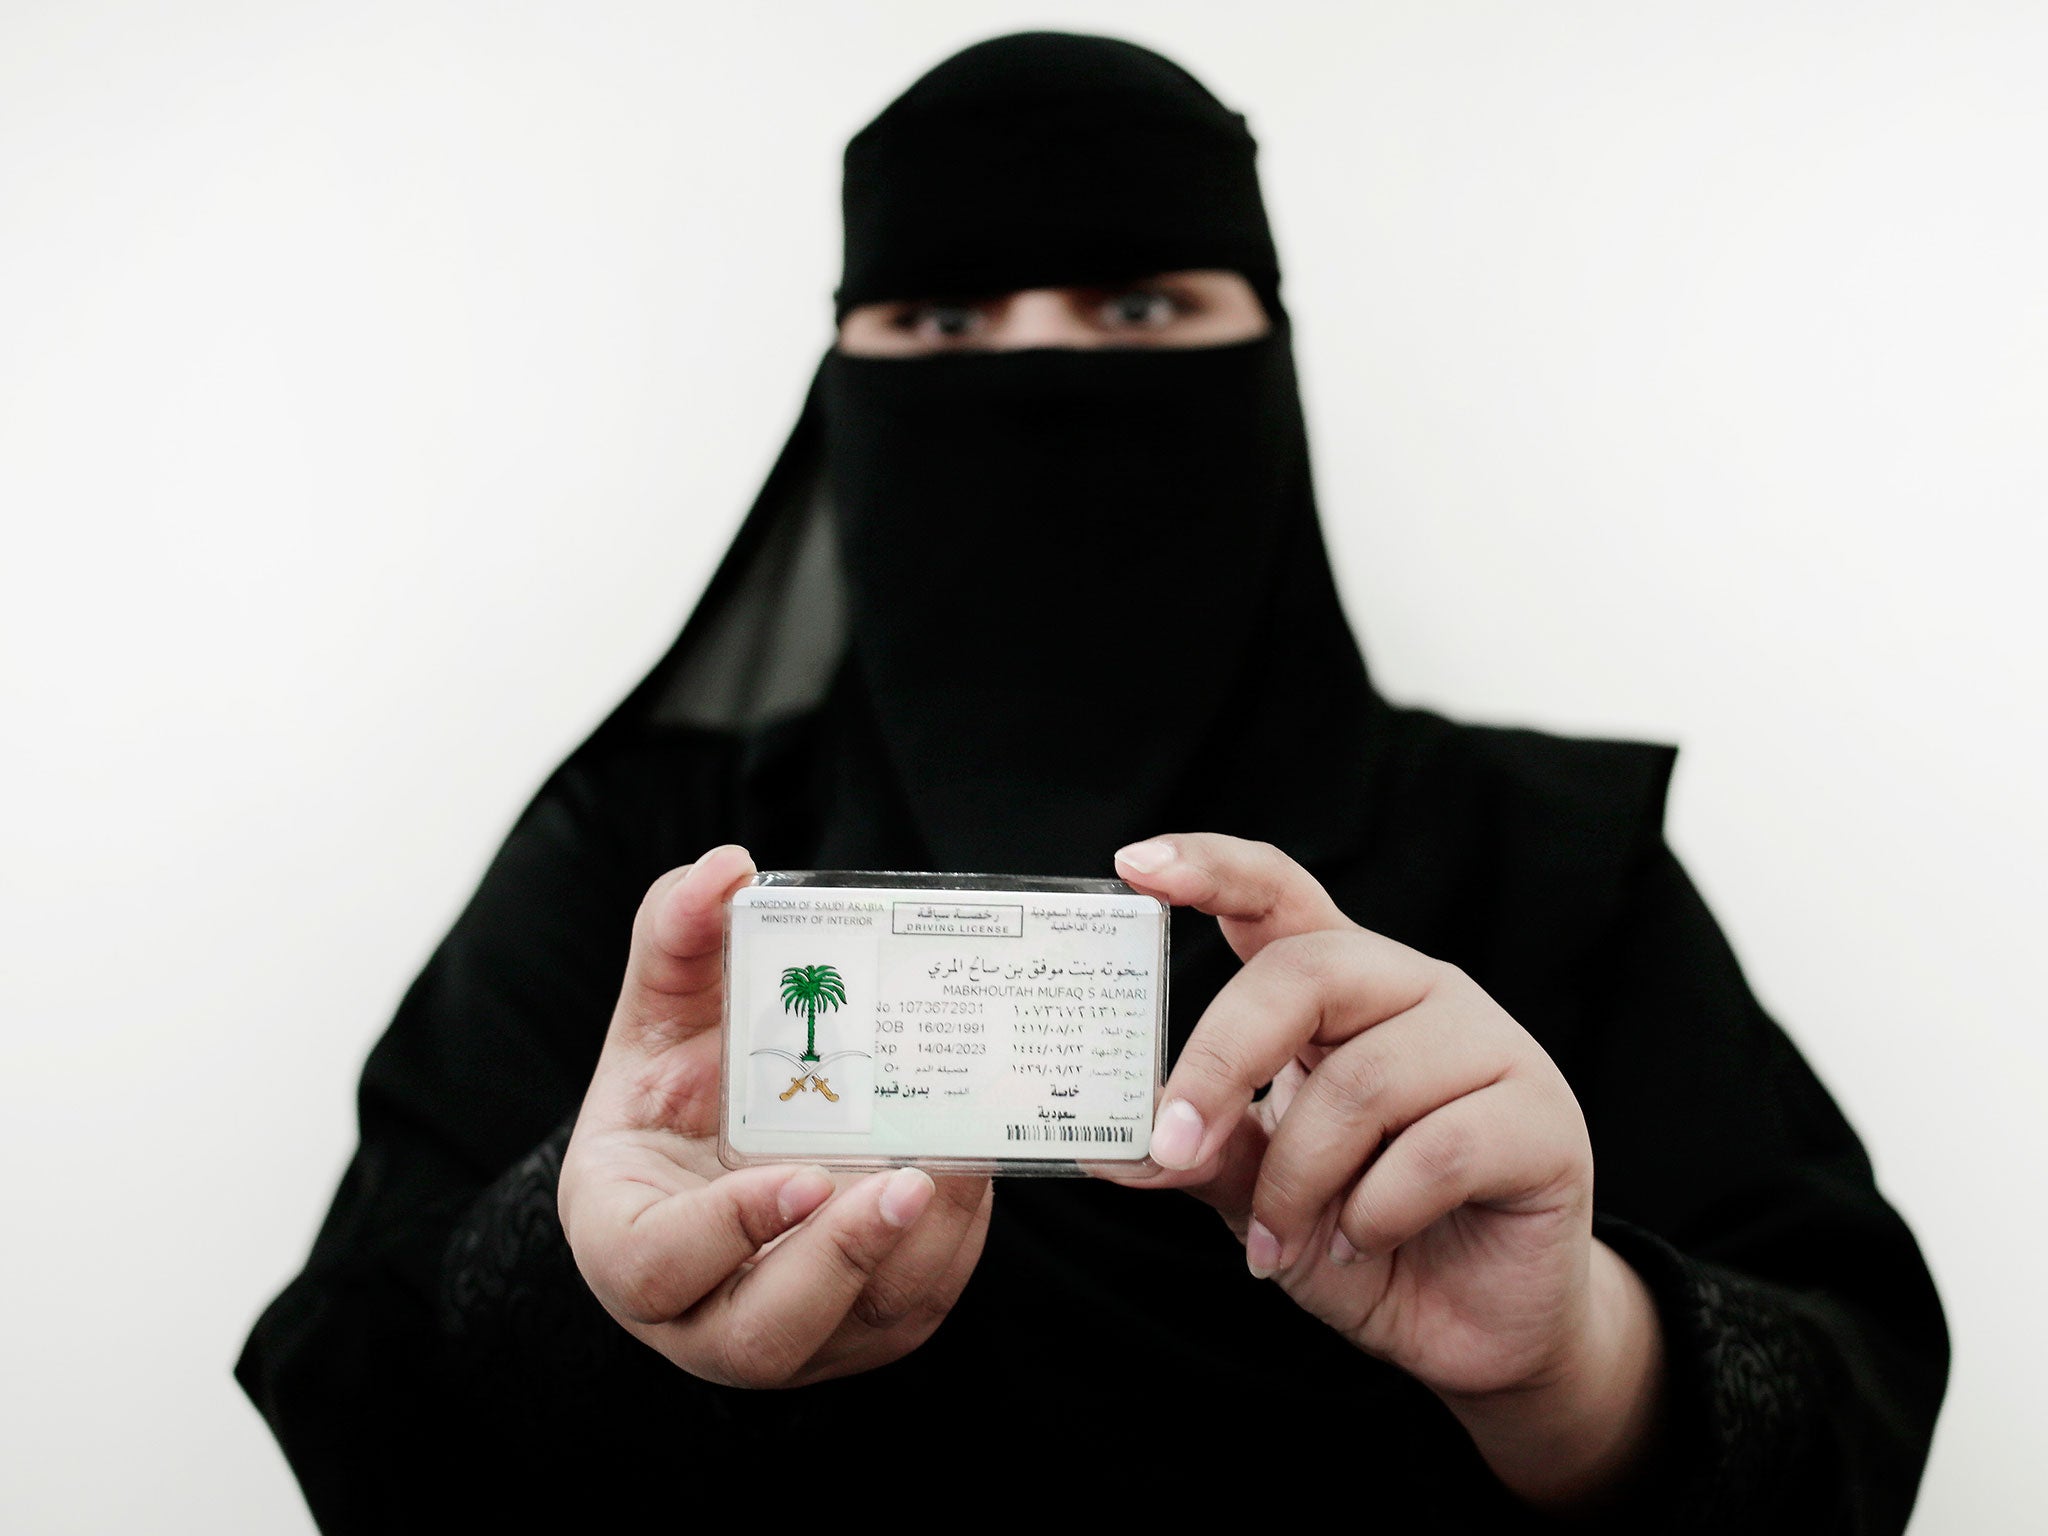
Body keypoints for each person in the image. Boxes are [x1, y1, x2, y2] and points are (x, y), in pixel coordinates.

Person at [236, 32, 1947, 1532]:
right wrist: (584, 1262)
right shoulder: (658, 869)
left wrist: (1573, 1353)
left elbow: (1853, 1400)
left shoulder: (1550, 863)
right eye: (945, 313)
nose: (1041, 377)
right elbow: (355, 1382)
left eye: (1137, 306)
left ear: (1267, 361)